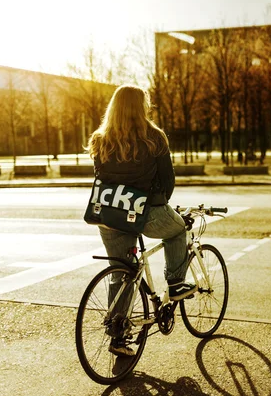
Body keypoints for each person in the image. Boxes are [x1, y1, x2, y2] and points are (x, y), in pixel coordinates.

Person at [87, 85, 196, 355]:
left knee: (122, 273)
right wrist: (161, 201)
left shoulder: (100, 138)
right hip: (144, 211)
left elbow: (101, 177)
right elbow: (168, 181)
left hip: (109, 215)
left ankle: (118, 336)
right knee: (178, 230)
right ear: (142, 106)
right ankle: (175, 282)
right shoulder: (154, 137)